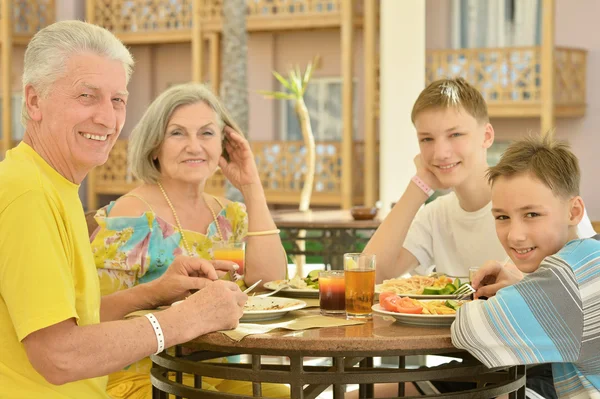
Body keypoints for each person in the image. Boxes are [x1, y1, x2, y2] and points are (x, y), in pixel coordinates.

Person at [0, 20, 247, 399]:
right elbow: (58, 354)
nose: (107, 117)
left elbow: (72, 322)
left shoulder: (51, 185)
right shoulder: (27, 193)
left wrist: (154, 292)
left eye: (117, 100)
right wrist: (188, 318)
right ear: (34, 101)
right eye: (87, 96)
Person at [363, 77, 595, 397]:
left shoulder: (545, 205)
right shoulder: (437, 215)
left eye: (455, 134)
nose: (440, 152)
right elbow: (368, 273)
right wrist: (419, 185)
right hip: (474, 362)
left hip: (545, 370)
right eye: (427, 139)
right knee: (366, 394)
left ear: (486, 135)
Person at [90, 82, 288, 398]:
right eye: (178, 133)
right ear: (155, 146)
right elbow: (94, 314)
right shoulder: (132, 216)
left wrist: (251, 185)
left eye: (207, 134)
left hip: (219, 374)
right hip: (146, 377)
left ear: (224, 145)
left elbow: (271, 283)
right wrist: (158, 296)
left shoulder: (230, 215)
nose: (194, 146)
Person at [452, 134, 600, 399]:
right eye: (502, 217)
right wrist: (524, 289)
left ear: (574, 212)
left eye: (532, 214)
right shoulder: (589, 258)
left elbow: (470, 331)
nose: (514, 235)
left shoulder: (565, 274)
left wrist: (515, 296)